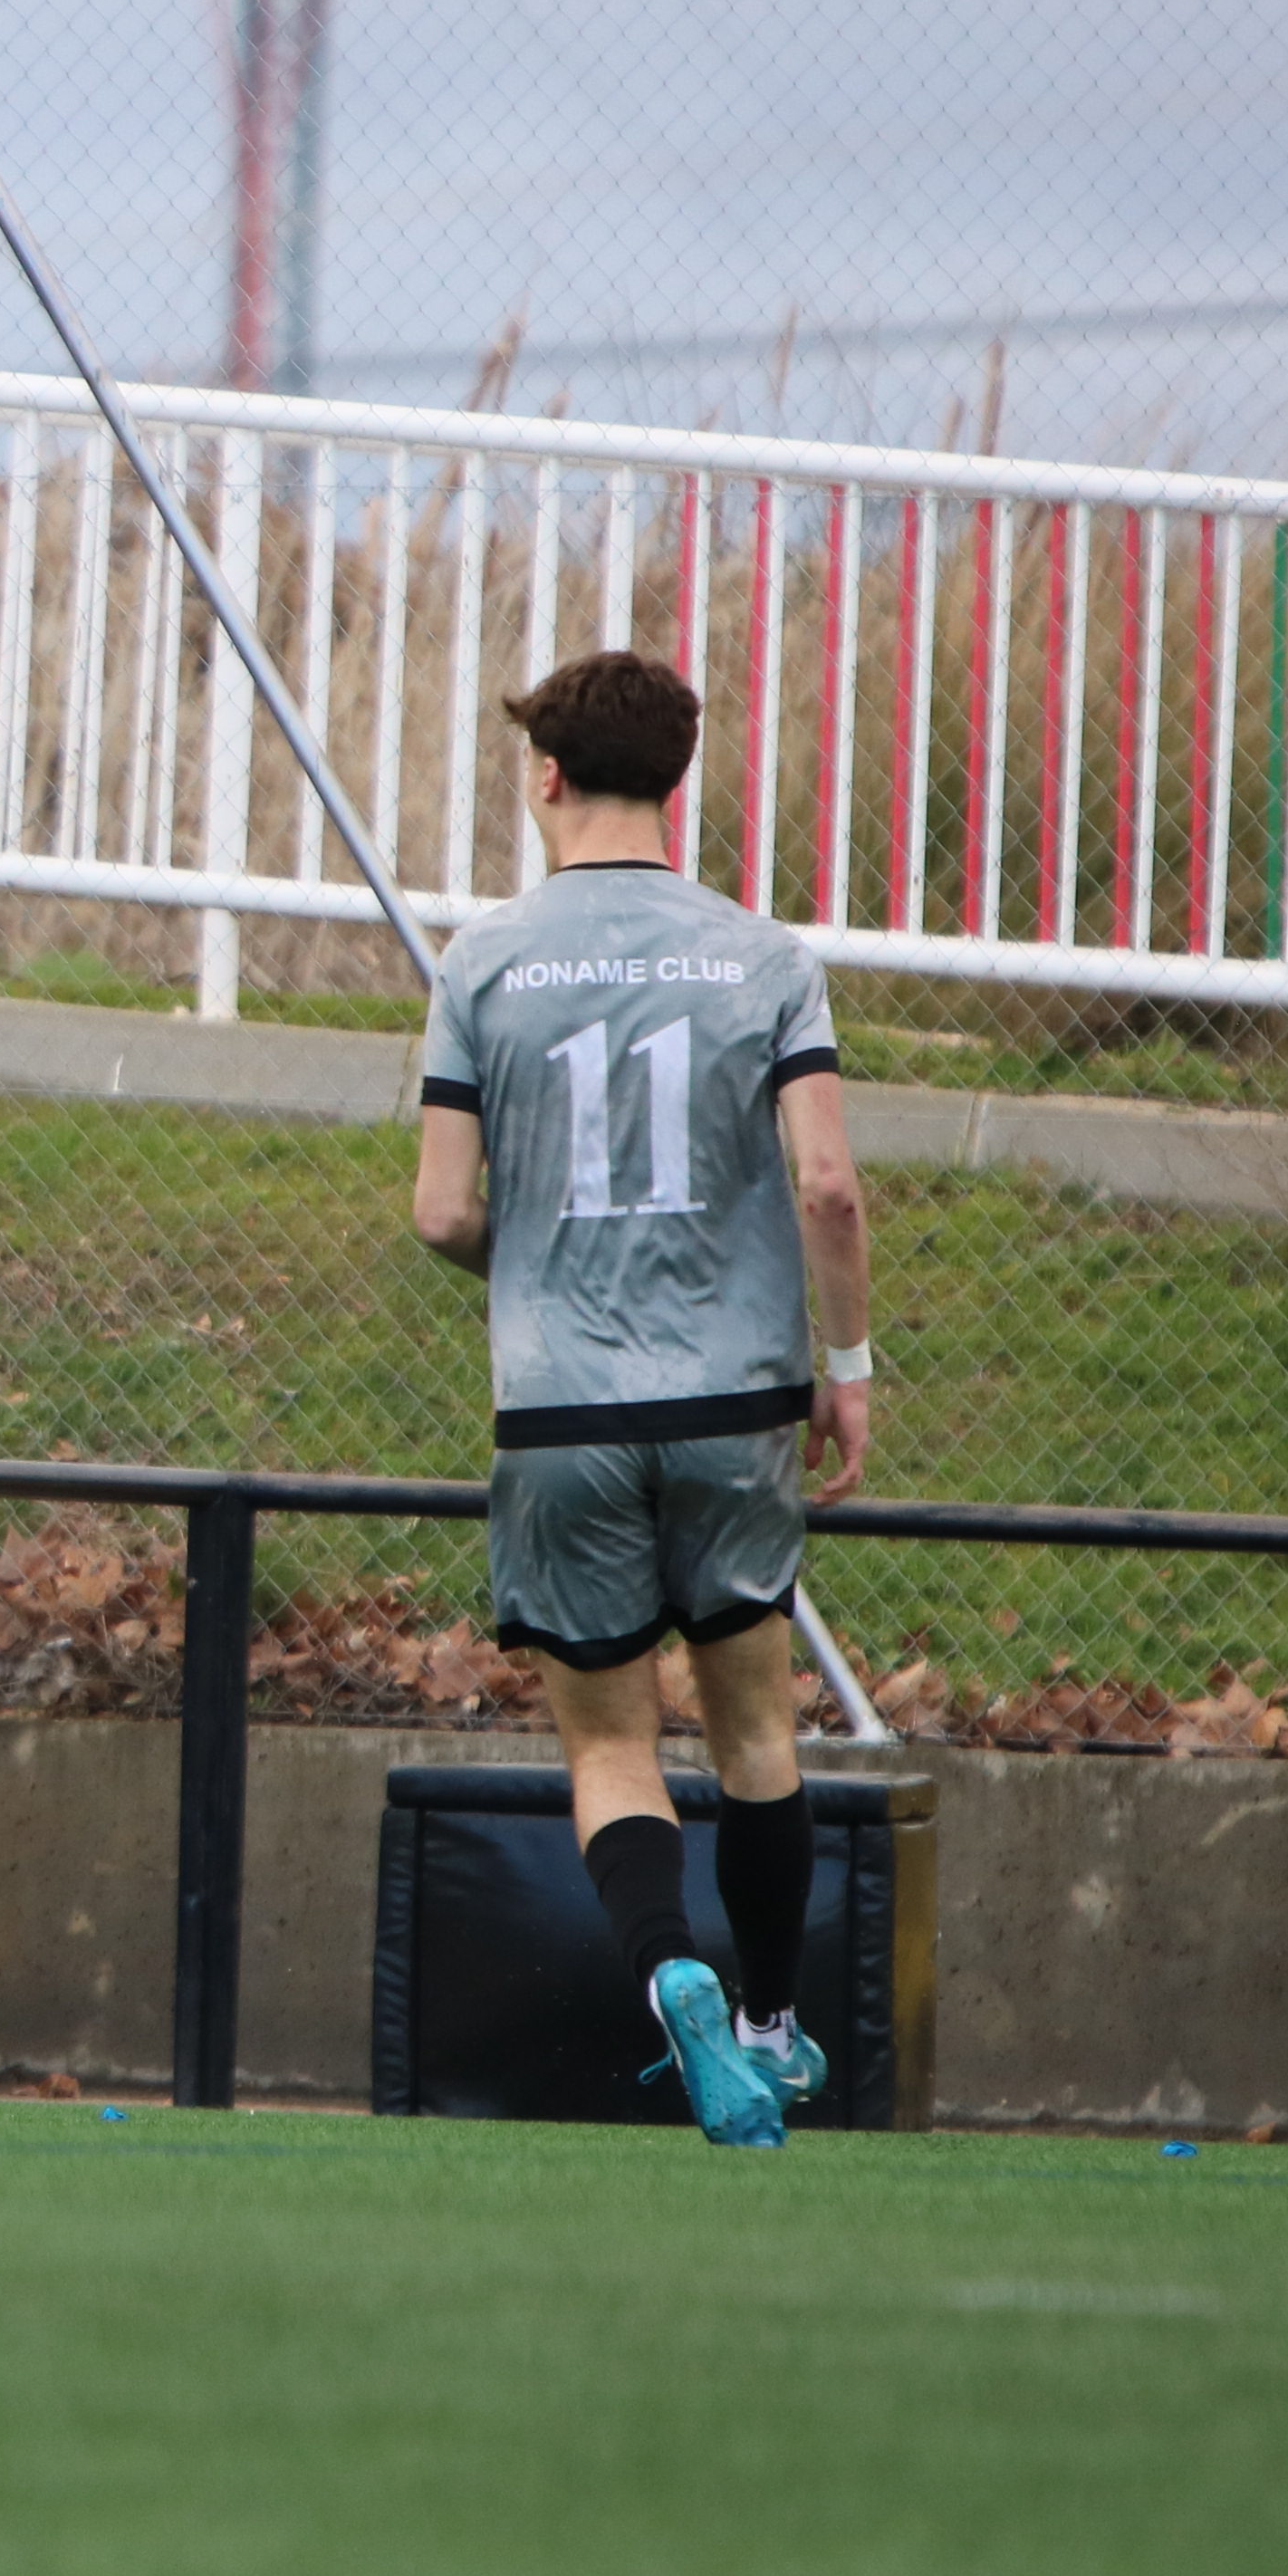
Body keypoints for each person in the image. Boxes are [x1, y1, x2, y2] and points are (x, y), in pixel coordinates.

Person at [409, 649, 878, 2151]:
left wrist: (535, 1244)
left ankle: (669, 1969)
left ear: (544, 777)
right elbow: (828, 1182)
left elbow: (437, 1213)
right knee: (756, 1736)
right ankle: (770, 2023)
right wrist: (845, 1367)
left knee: (613, 1748)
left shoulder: (482, 963)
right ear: (680, 787)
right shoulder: (765, 958)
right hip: (737, 1396)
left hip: (560, 1408)